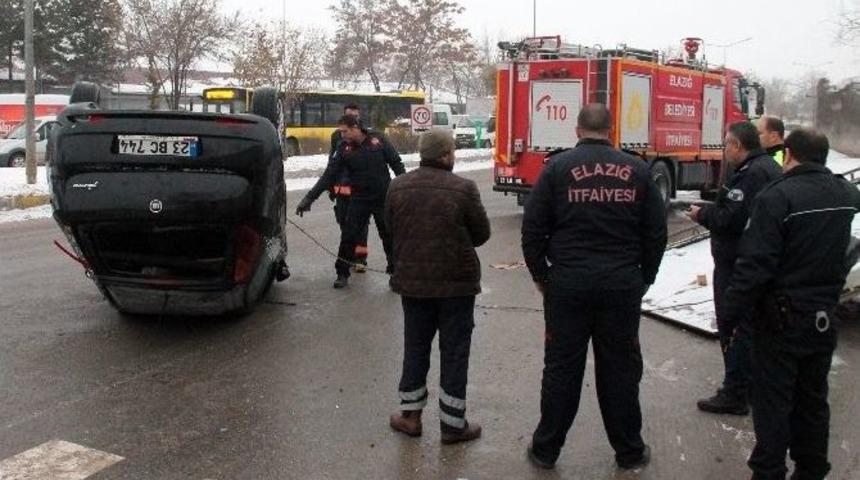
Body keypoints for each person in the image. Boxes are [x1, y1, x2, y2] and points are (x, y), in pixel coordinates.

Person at [521, 104, 667, 470]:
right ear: (612, 129)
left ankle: (545, 450)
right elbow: (655, 232)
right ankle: (630, 451)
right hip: (620, 285)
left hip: (568, 285)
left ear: (577, 130)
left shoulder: (556, 169)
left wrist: (542, 276)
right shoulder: (637, 169)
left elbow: (533, 229)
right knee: (620, 370)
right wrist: (643, 277)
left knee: (561, 369)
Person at [722, 128, 860, 480]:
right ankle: (812, 468)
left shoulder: (777, 198)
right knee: (813, 400)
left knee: (773, 402)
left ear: (790, 154)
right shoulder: (846, 193)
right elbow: (849, 247)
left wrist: (731, 313)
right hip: (823, 317)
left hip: (780, 320)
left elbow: (755, 265)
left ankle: (768, 471)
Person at [386, 129, 491, 444]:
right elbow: (481, 234)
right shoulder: (464, 188)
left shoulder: (397, 186)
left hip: (413, 285)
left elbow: (391, 228)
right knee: (455, 351)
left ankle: (410, 417)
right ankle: (452, 424)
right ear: (446, 155)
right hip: (457, 287)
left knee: (415, 347)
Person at [686, 121, 782, 416]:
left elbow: (731, 218)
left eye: (726, 144)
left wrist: (703, 213)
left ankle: (735, 393)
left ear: (738, 146)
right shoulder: (765, 168)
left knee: (735, 326)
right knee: (748, 328)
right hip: (749, 262)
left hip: (738, 265)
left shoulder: (752, 174)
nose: (724, 149)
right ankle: (748, 386)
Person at [296, 114, 405, 288]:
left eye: (345, 131)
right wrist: (309, 198)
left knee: (388, 236)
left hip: (382, 198)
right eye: (341, 132)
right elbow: (329, 175)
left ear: (355, 128)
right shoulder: (343, 147)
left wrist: (404, 188)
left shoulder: (378, 140)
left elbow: (396, 164)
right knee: (349, 236)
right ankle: (342, 273)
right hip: (359, 199)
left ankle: (395, 273)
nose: (342, 135)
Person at [329, 104, 369, 273]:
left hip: (360, 190)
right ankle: (349, 256)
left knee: (360, 224)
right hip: (342, 189)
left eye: (355, 116)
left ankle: (360, 259)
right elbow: (332, 162)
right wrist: (331, 186)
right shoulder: (337, 136)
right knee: (344, 223)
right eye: (349, 115)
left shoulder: (367, 137)